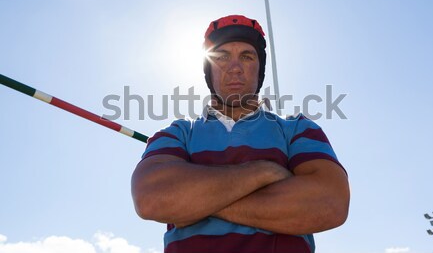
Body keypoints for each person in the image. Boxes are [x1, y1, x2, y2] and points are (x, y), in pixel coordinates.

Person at [131, 15, 350, 253]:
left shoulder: (297, 129)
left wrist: (192, 203)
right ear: (209, 70)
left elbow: (330, 203)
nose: (234, 68)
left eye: (246, 56)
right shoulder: (177, 134)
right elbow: (151, 198)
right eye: (221, 56)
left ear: (259, 69)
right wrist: (264, 172)